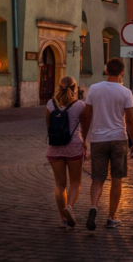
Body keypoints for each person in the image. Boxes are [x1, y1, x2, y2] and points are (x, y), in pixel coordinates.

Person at [84, 57, 133, 230]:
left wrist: (83, 139)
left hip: (98, 139)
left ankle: (93, 206)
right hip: (118, 139)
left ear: (107, 71)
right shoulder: (125, 92)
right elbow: (130, 120)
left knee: (97, 178)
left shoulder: (94, 89)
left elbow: (87, 116)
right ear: (122, 72)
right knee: (116, 179)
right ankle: (111, 217)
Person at [46, 76, 89, 228]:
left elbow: (49, 125)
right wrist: (84, 142)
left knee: (59, 185)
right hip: (73, 146)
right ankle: (69, 207)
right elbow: (84, 127)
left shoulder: (50, 104)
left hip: (54, 146)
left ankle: (62, 219)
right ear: (75, 88)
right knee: (75, 182)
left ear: (58, 87)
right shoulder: (80, 105)